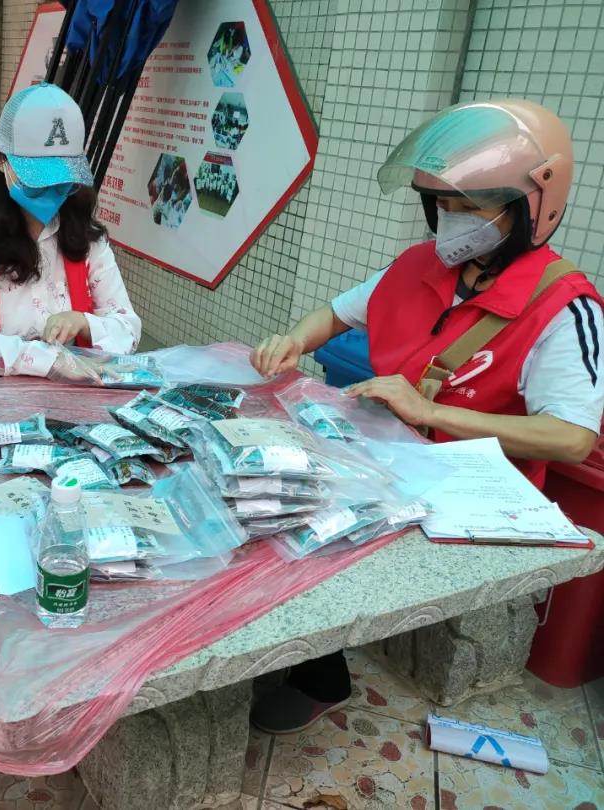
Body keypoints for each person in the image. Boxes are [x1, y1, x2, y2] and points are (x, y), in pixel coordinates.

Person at [249, 99, 603, 735]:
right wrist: (293, 341)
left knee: (309, 527)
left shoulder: (564, 308)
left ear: (534, 206)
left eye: (471, 206)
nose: (452, 220)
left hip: (467, 490)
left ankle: (320, 675)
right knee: (260, 485)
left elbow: (572, 438)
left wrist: (430, 410)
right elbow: (336, 314)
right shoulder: (420, 266)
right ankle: (293, 645)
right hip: (389, 456)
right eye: (442, 204)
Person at [0, 82, 141, 386]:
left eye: (62, 181)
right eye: (37, 181)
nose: (51, 192)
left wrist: (82, 322)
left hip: (70, 402)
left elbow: (128, 329)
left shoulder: (87, 239)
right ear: (1, 160)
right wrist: (48, 361)